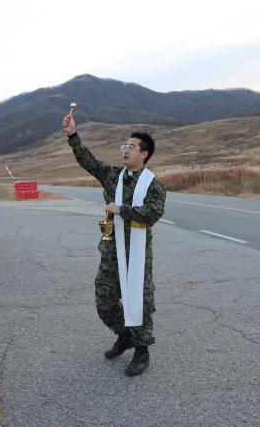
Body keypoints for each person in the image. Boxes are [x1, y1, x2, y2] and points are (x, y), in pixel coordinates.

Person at [63, 111, 166, 377]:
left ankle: (142, 350)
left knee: (139, 301)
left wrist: (122, 209)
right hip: (111, 250)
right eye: (124, 146)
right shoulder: (112, 176)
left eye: (131, 147)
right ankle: (124, 335)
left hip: (136, 253)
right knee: (104, 301)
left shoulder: (154, 184)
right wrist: (73, 134)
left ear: (144, 154)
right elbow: (88, 161)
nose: (125, 150)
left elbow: (153, 213)